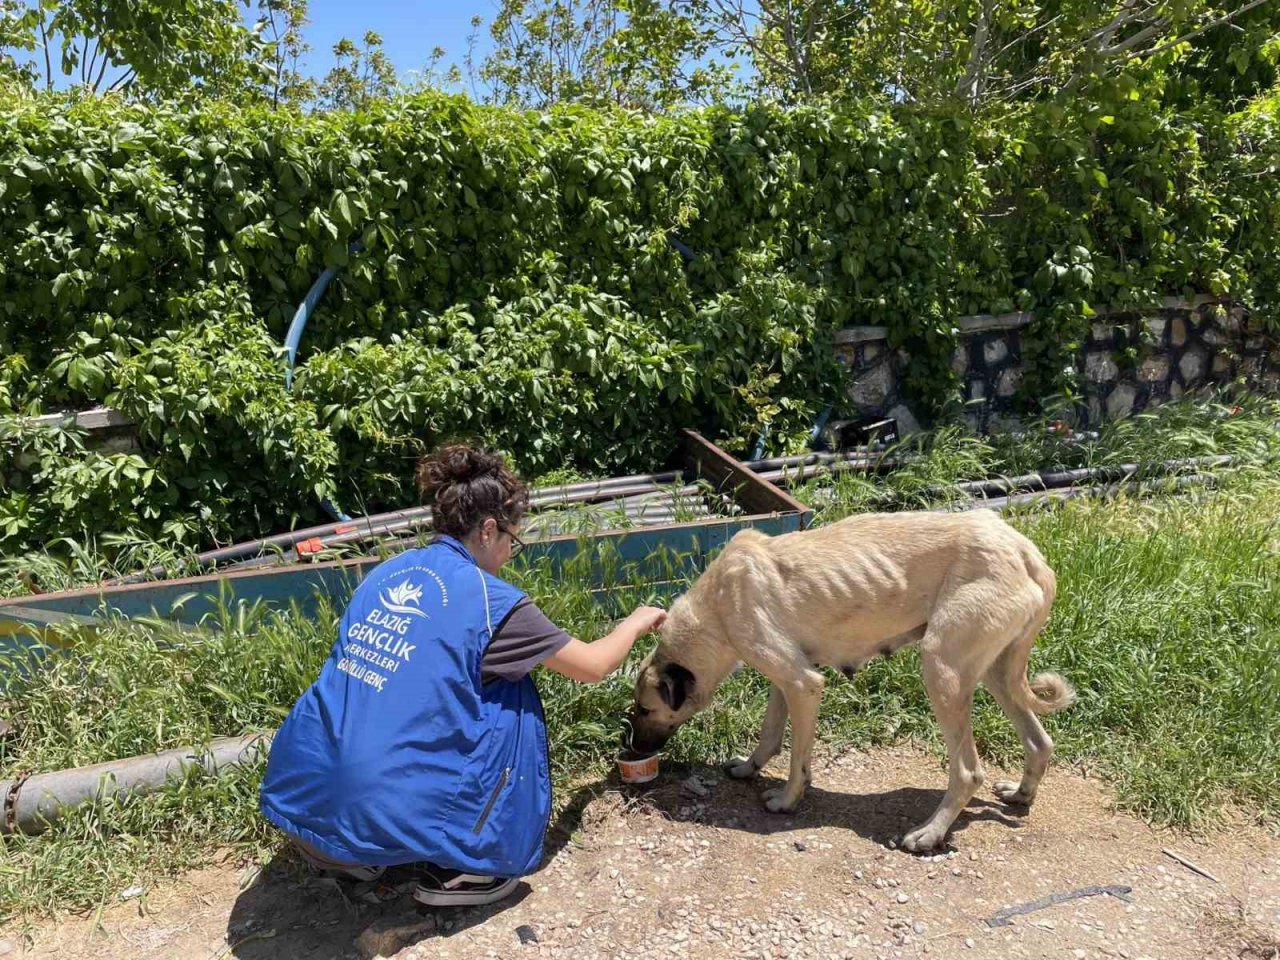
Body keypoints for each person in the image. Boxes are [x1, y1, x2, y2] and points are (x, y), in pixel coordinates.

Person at [259, 443, 667, 907]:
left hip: (303, 795)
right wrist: (635, 620)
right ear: (489, 529)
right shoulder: (493, 602)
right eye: (515, 539)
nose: (513, 552)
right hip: (368, 806)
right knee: (512, 699)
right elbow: (594, 666)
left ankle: (350, 850)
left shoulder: (387, 570)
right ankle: (475, 864)